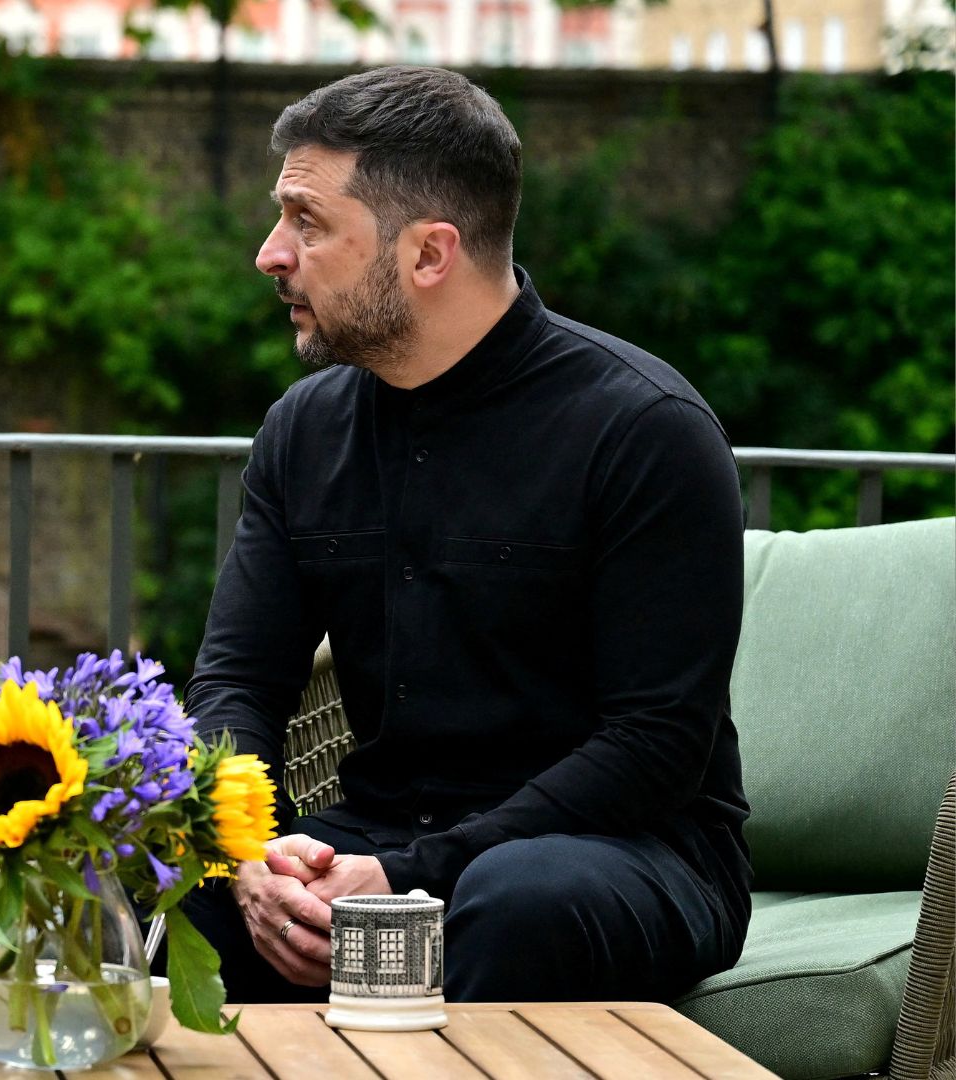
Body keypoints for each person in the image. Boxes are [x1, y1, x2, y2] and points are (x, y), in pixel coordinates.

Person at [180, 66, 750, 1004]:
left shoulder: (644, 429)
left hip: (631, 853)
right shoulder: (303, 430)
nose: (269, 254)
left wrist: (415, 876)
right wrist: (242, 847)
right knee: (139, 877)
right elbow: (238, 679)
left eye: (307, 222)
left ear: (429, 254)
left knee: (511, 899)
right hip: (377, 832)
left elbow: (655, 745)